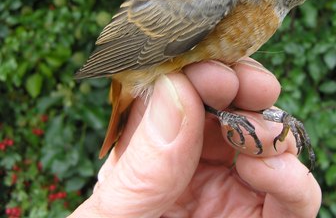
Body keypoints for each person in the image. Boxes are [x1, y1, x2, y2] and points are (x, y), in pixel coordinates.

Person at [70, 58, 321, 217]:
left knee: (224, 92)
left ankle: (271, 119)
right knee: (218, 90)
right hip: (154, 67)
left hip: (195, 88)